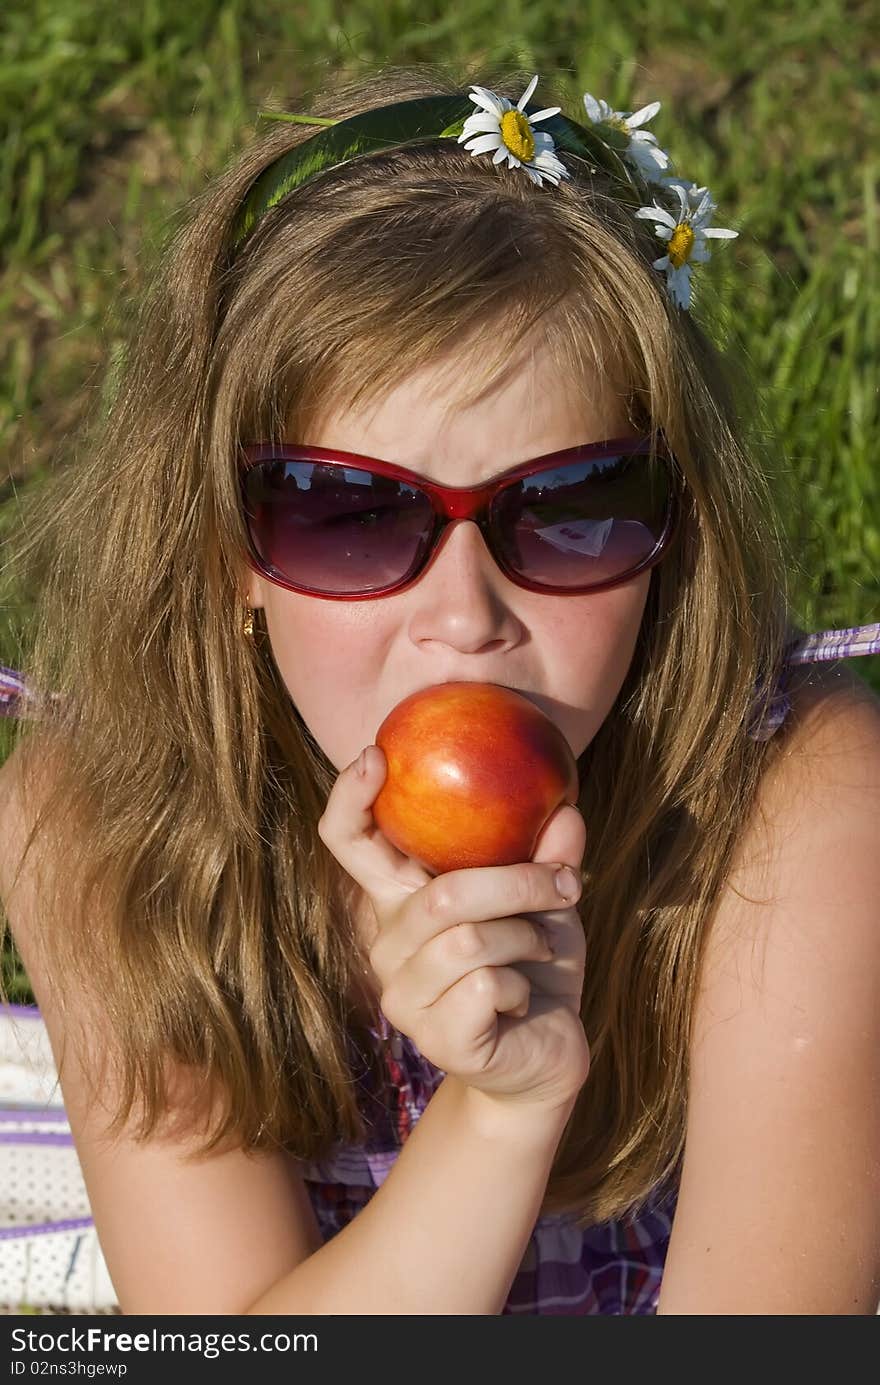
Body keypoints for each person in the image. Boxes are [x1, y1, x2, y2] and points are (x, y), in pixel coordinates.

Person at [0, 64, 879, 1316]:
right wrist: (500, 1115)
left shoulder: (796, 817)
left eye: (573, 508)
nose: (465, 618)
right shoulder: (101, 831)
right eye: (348, 514)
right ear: (224, 554)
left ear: (675, 533)